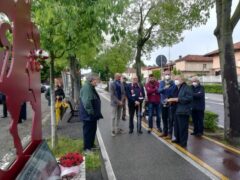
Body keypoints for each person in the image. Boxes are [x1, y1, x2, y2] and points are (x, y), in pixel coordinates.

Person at [79, 73, 103, 152]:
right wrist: (91, 113)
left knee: (92, 130)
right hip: (88, 115)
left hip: (91, 115)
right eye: (96, 80)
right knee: (88, 132)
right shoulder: (87, 88)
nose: (97, 82)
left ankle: (91, 145)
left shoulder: (90, 87)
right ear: (91, 80)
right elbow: (86, 102)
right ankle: (87, 149)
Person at [167, 75, 193, 148]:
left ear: (182, 80)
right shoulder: (178, 88)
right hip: (177, 110)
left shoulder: (187, 87)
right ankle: (177, 139)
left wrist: (177, 99)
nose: (175, 80)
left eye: (177, 79)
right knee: (177, 126)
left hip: (184, 111)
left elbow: (189, 98)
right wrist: (171, 100)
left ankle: (183, 142)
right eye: (175, 79)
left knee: (183, 128)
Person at [158, 70, 176, 138]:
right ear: (164, 75)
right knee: (164, 118)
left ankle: (170, 133)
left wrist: (169, 97)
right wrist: (164, 88)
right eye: (166, 74)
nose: (167, 76)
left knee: (170, 119)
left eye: (168, 74)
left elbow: (173, 91)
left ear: (170, 75)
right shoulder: (162, 82)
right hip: (163, 103)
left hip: (170, 103)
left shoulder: (173, 83)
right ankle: (164, 132)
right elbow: (159, 91)